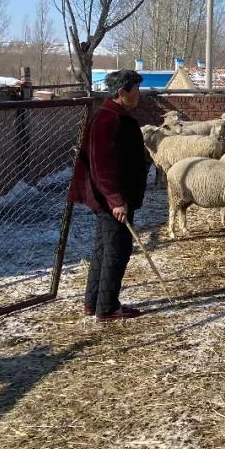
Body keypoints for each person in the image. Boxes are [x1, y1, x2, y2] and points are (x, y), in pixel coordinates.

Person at [68, 68, 148, 321]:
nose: (139, 94)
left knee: (104, 249)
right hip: (112, 200)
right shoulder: (109, 120)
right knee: (117, 250)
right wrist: (116, 199)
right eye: (136, 89)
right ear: (122, 91)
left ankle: (94, 303)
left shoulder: (113, 116)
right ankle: (108, 307)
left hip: (110, 199)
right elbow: (102, 165)